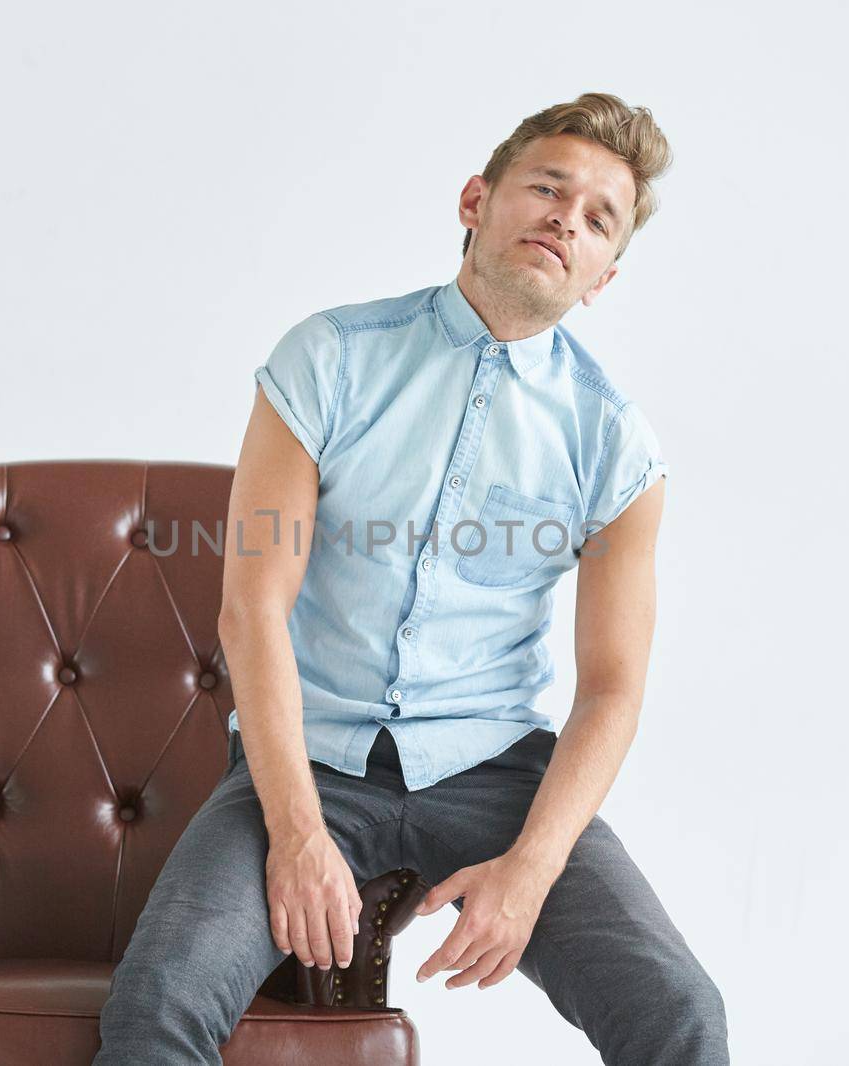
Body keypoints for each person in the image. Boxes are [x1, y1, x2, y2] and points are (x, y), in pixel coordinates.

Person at [94, 91, 730, 1065]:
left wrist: (531, 867)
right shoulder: (330, 358)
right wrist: (298, 834)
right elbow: (252, 608)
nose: (566, 218)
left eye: (598, 217)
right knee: (156, 1011)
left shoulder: (615, 445)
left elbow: (610, 688)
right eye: (546, 188)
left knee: (680, 1015)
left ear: (604, 276)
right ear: (477, 199)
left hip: (498, 773)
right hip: (312, 762)